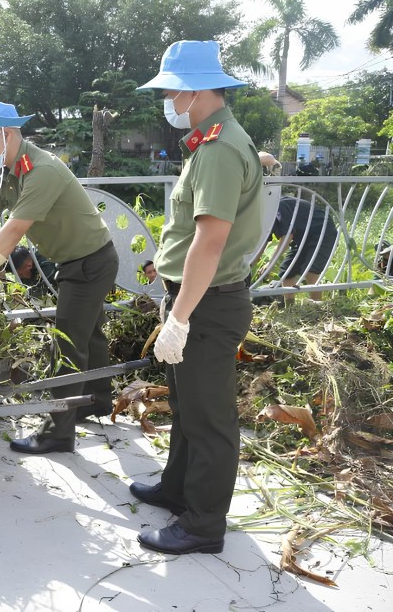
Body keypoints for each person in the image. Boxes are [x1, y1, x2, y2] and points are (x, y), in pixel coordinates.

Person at [130, 41, 263, 556]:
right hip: (194, 299)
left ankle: (204, 525)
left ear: (196, 90)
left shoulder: (220, 150)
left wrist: (179, 317)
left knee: (209, 418)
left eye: (170, 89)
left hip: (206, 304)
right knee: (187, 405)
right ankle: (178, 489)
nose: (165, 98)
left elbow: (210, 242)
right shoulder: (214, 142)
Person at [0, 101, 119, 450]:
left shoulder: (41, 170)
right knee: (88, 334)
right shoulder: (2, 174)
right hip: (73, 260)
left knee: (69, 343)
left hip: (92, 261)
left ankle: (57, 433)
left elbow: (12, 232)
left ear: (9, 134)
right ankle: (98, 401)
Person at [264, 195, 337, 301]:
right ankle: (290, 308)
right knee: (286, 272)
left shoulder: (279, 207)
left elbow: (287, 236)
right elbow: (264, 241)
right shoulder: (265, 214)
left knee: (310, 271)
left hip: (322, 231)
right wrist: (250, 264)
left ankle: (316, 308)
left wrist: (270, 263)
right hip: (302, 237)